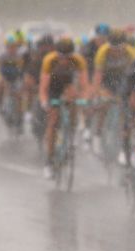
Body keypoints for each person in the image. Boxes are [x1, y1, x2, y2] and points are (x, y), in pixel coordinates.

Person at [38, 37, 90, 178]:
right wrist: (44, 102)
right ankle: (49, 161)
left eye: (68, 57)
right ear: (57, 54)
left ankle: (72, 129)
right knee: (53, 120)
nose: (65, 61)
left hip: (68, 86)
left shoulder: (78, 61)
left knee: (73, 96)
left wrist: (84, 100)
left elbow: (84, 85)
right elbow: (43, 87)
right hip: (53, 87)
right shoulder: (50, 60)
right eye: (61, 57)